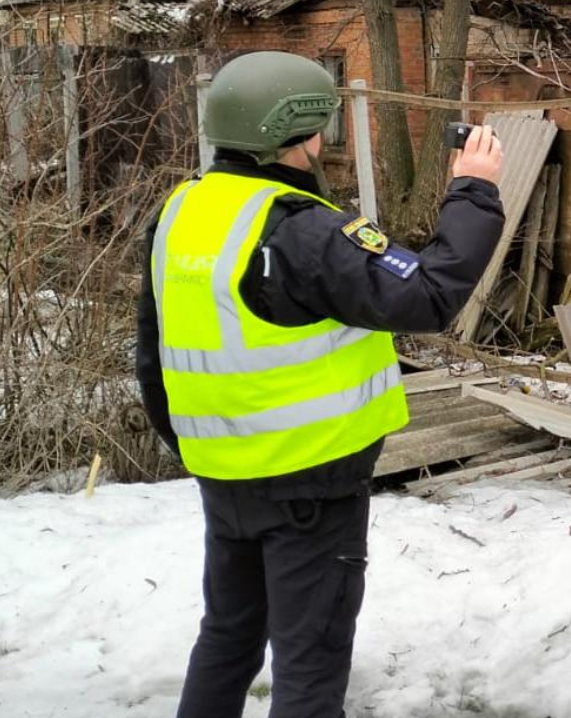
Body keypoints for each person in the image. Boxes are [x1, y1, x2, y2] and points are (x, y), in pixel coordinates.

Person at [135, 50, 504, 718]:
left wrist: (204, 445)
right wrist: (474, 189)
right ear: (300, 131)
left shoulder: (180, 213)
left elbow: (150, 356)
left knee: (227, 637)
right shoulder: (305, 230)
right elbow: (426, 294)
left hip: (223, 473)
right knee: (310, 662)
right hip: (312, 483)